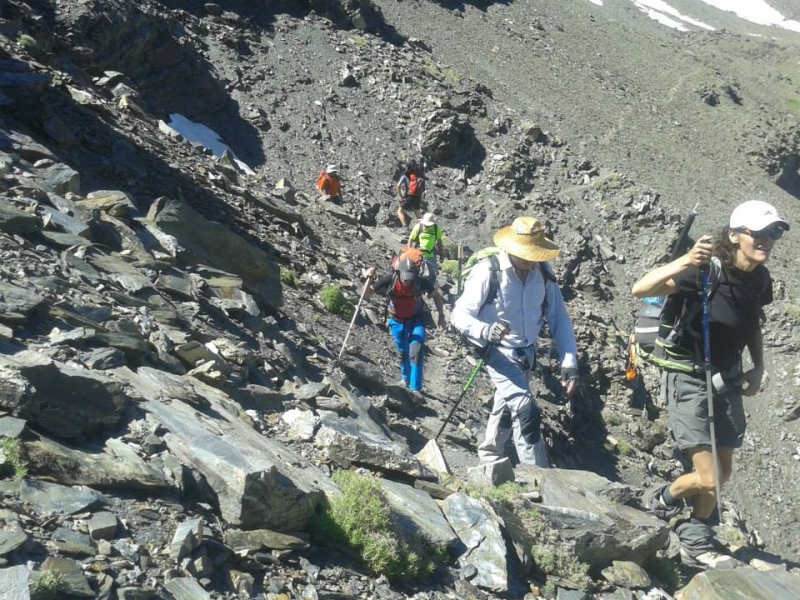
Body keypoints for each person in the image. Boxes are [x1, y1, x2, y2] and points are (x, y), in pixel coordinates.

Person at [631, 200, 789, 569]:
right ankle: (662, 499)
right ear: (734, 236)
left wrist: (759, 366)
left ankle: (695, 541)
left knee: (723, 473)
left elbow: (751, 323)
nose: (767, 240)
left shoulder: (760, 278)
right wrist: (686, 261)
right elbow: (641, 289)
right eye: (758, 233)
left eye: (773, 233)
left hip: (727, 378)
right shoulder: (704, 272)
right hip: (689, 376)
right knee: (709, 475)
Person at [450, 216, 578, 467]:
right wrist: (485, 330)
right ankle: (539, 475)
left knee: (508, 405)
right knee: (525, 410)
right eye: (527, 255)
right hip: (496, 352)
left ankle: (490, 456)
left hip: (527, 353)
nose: (531, 261)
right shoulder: (488, 271)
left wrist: (569, 361)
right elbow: (458, 315)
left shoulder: (543, 271)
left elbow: (558, 316)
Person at [365, 253, 446, 393]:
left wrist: (441, 316)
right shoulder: (389, 280)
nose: (408, 281)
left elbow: (436, 296)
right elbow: (366, 294)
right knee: (403, 352)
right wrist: (368, 278)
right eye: (405, 278)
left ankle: (415, 389)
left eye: (410, 278)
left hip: (417, 319)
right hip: (397, 320)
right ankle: (405, 379)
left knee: (416, 349)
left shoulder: (420, 282)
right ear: (398, 272)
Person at [408, 212, 445, 282]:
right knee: (419, 273)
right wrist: (408, 252)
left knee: (433, 273)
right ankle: (418, 287)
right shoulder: (418, 227)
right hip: (418, 254)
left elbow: (439, 242)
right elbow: (411, 239)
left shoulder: (436, 228)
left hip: (431, 255)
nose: (427, 226)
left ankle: (430, 287)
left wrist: (441, 254)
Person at [396, 162, 424, 227]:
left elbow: (398, 186)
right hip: (418, 196)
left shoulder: (405, 176)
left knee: (400, 211)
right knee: (417, 213)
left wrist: (401, 196)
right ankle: (422, 228)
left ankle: (405, 227)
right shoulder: (418, 176)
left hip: (410, 196)